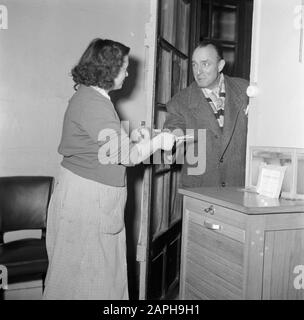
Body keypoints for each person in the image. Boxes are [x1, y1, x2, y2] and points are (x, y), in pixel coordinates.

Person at [43, 38, 175, 300]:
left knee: (80, 277)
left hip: (83, 196)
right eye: (124, 67)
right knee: (88, 281)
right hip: (88, 202)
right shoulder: (94, 102)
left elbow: (103, 144)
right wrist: (159, 141)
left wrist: (135, 139)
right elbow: (126, 156)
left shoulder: (89, 97)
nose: (127, 73)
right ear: (108, 69)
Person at [164, 40, 249, 188]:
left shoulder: (246, 90)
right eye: (194, 64)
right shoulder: (179, 102)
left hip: (240, 188)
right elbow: (172, 133)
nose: (198, 72)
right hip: (200, 190)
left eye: (205, 64)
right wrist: (168, 141)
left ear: (220, 65)